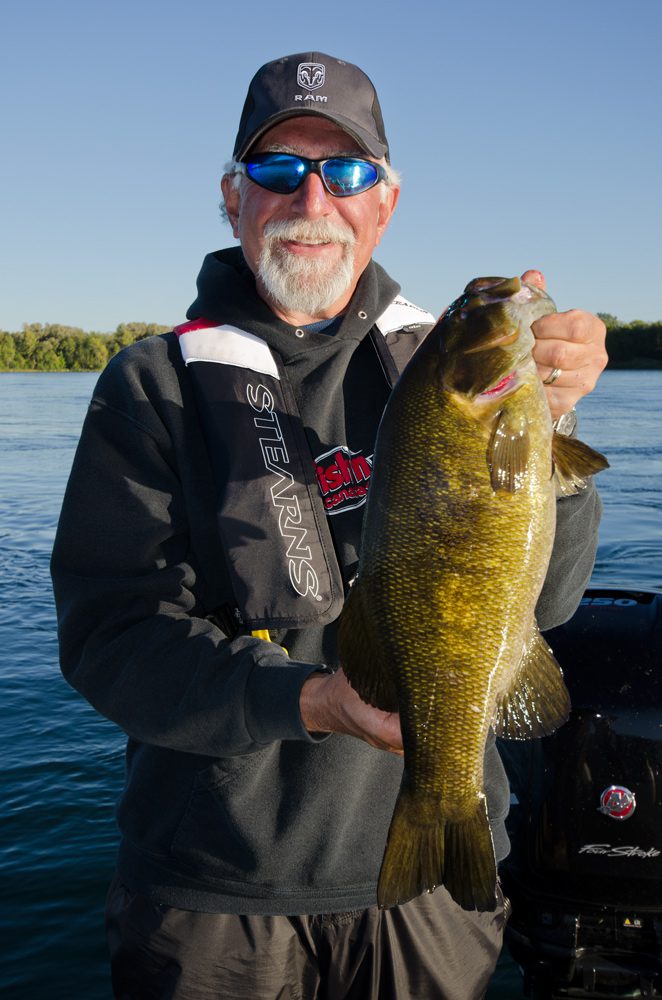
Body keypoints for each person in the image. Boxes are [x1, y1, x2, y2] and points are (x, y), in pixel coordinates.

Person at [51, 51, 608, 1000]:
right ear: (233, 198)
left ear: (383, 203)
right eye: (278, 170)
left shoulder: (442, 367)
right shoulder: (152, 387)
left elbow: (544, 603)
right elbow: (112, 642)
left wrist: (551, 426)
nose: (313, 195)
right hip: (212, 903)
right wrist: (309, 701)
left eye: (345, 171)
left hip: (428, 899)